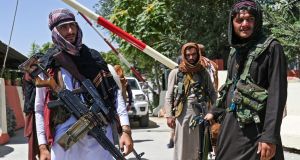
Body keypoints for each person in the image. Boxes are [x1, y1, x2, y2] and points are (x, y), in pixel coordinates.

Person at [34, 8, 133, 160]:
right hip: (65, 144)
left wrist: (125, 130)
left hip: (99, 138)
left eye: (72, 25)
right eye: (63, 27)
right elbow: (40, 108)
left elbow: (115, 94)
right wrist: (42, 146)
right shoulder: (48, 65)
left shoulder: (94, 59)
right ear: (55, 31)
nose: (70, 31)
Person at [205, 1, 287, 160]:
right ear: (232, 23)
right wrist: (214, 111)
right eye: (239, 20)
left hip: (256, 130)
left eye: (250, 19)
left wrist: (269, 137)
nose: (245, 24)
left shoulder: (272, 48)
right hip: (231, 125)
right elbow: (230, 86)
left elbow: (277, 95)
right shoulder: (235, 51)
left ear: (257, 21)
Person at [165, 42, 217, 160]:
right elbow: (169, 95)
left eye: (193, 54)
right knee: (182, 146)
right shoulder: (176, 73)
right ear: (184, 55)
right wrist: (169, 115)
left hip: (201, 114)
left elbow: (213, 93)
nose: (191, 57)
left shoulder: (203, 72)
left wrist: (214, 111)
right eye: (188, 55)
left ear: (198, 54)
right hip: (182, 114)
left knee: (200, 147)